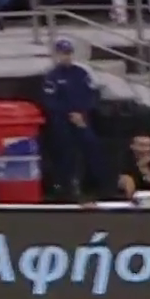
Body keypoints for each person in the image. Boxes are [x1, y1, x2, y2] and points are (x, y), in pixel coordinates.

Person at [42, 39, 107, 201]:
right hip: (61, 122)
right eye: (62, 54)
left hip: (82, 119)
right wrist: (69, 113)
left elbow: (92, 95)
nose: (66, 57)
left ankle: (95, 185)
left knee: (92, 148)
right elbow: (50, 101)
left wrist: (82, 114)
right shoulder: (52, 76)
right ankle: (67, 187)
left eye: (68, 53)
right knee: (66, 153)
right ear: (56, 55)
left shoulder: (82, 73)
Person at [118, 132, 150, 198]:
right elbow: (124, 180)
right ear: (132, 146)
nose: (147, 149)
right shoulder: (124, 159)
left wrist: (144, 168)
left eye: (149, 146)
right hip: (132, 198)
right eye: (142, 145)